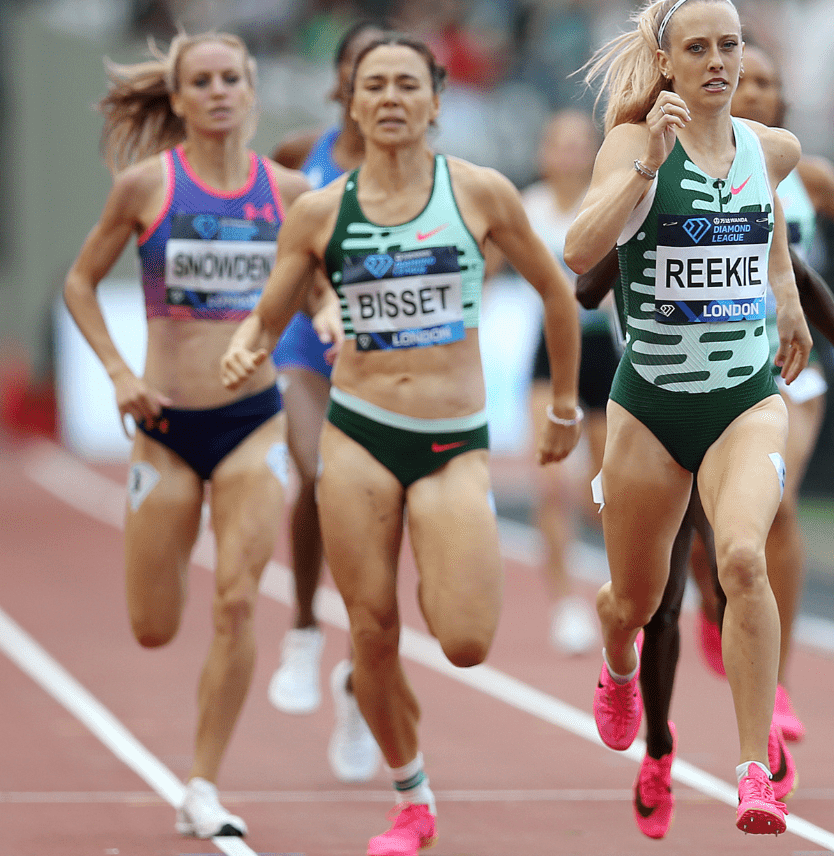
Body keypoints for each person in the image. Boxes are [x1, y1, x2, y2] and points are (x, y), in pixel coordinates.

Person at [220, 34, 581, 856]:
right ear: (351, 102)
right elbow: (271, 312)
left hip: (452, 441)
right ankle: (411, 797)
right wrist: (246, 345)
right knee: (373, 630)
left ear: (435, 102)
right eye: (373, 84)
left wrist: (562, 403)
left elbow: (558, 296)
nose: (388, 97)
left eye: (406, 84)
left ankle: (398, 642)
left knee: (463, 639)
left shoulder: (479, 194)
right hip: (360, 435)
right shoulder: (320, 211)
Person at [564, 0, 810, 836]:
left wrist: (784, 297)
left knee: (742, 558)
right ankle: (617, 659)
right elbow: (578, 250)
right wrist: (647, 167)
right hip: (651, 407)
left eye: (729, 45)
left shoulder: (771, 149)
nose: (717, 60)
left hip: (745, 398)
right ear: (666, 62)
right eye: (697, 47)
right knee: (635, 600)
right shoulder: (633, 144)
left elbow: (768, 226)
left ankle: (753, 771)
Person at [61, 31, 312, 839]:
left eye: (229, 78)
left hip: (253, 421)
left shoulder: (291, 193)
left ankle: (202, 783)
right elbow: (79, 282)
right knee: (154, 624)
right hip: (165, 426)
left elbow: (315, 292)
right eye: (199, 81)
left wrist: (334, 315)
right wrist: (118, 373)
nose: (216, 92)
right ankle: (198, 771)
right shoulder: (145, 188)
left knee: (238, 602)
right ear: (177, 100)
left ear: (252, 91)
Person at [575, 246, 834, 838]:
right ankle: (657, 749)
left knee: (739, 567)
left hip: (732, 412)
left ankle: (761, 737)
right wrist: (639, 223)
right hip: (654, 415)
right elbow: (582, 287)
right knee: (656, 603)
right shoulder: (642, 186)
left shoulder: (744, 182)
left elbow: (801, 273)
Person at [690, 41, 834, 744]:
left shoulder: (804, 172)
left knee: (775, 504)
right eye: (745, 79)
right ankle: (709, 600)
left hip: (790, 367)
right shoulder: (687, 160)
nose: (755, 91)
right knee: (707, 529)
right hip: (706, 365)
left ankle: (777, 684)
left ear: (783, 100)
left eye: (768, 82)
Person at [260, 18, 387, 787]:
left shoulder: (426, 170)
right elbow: (281, 249)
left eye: (396, 74)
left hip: (391, 360)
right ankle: (305, 629)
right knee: (314, 478)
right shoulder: (297, 156)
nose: (378, 88)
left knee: (378, 516)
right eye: (363, 71)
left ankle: (355, 674)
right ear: (340, 80)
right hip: (312, 348)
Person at [517, 108, 613, 656]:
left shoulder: (609, 200)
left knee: (604, 492)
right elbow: (485, 267)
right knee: (551, 482)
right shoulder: (527, 207)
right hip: (551, 354)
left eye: (582, 144)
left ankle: (617, 589)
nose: (571, 154)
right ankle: (565, 605)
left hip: (604, 350)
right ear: (544, 153)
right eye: (561, 144)